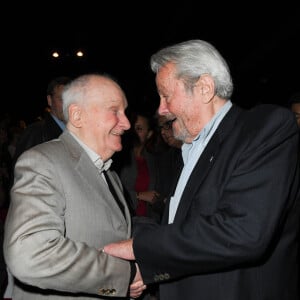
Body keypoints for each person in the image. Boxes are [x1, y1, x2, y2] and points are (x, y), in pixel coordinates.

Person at [103, 39, 300, 300]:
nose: (160, 109)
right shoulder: (190, 149)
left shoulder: (263, 129)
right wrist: (148, 266)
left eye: (166, 95)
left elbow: (242, 232)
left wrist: (139, 248)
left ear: (205, 88)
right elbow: (186, 230)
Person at [4, 73, 146, 300]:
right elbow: (30, 253)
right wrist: (123, 276)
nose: (127, 123)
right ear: (77, 116)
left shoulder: (109, 174)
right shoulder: (42, 161)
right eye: (114, 111)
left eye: (125, 112)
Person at [12, 76, 72, 164]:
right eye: (61, 99)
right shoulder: (34, 133)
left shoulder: (78, 133)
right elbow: (22, 172)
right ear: (49, 100)